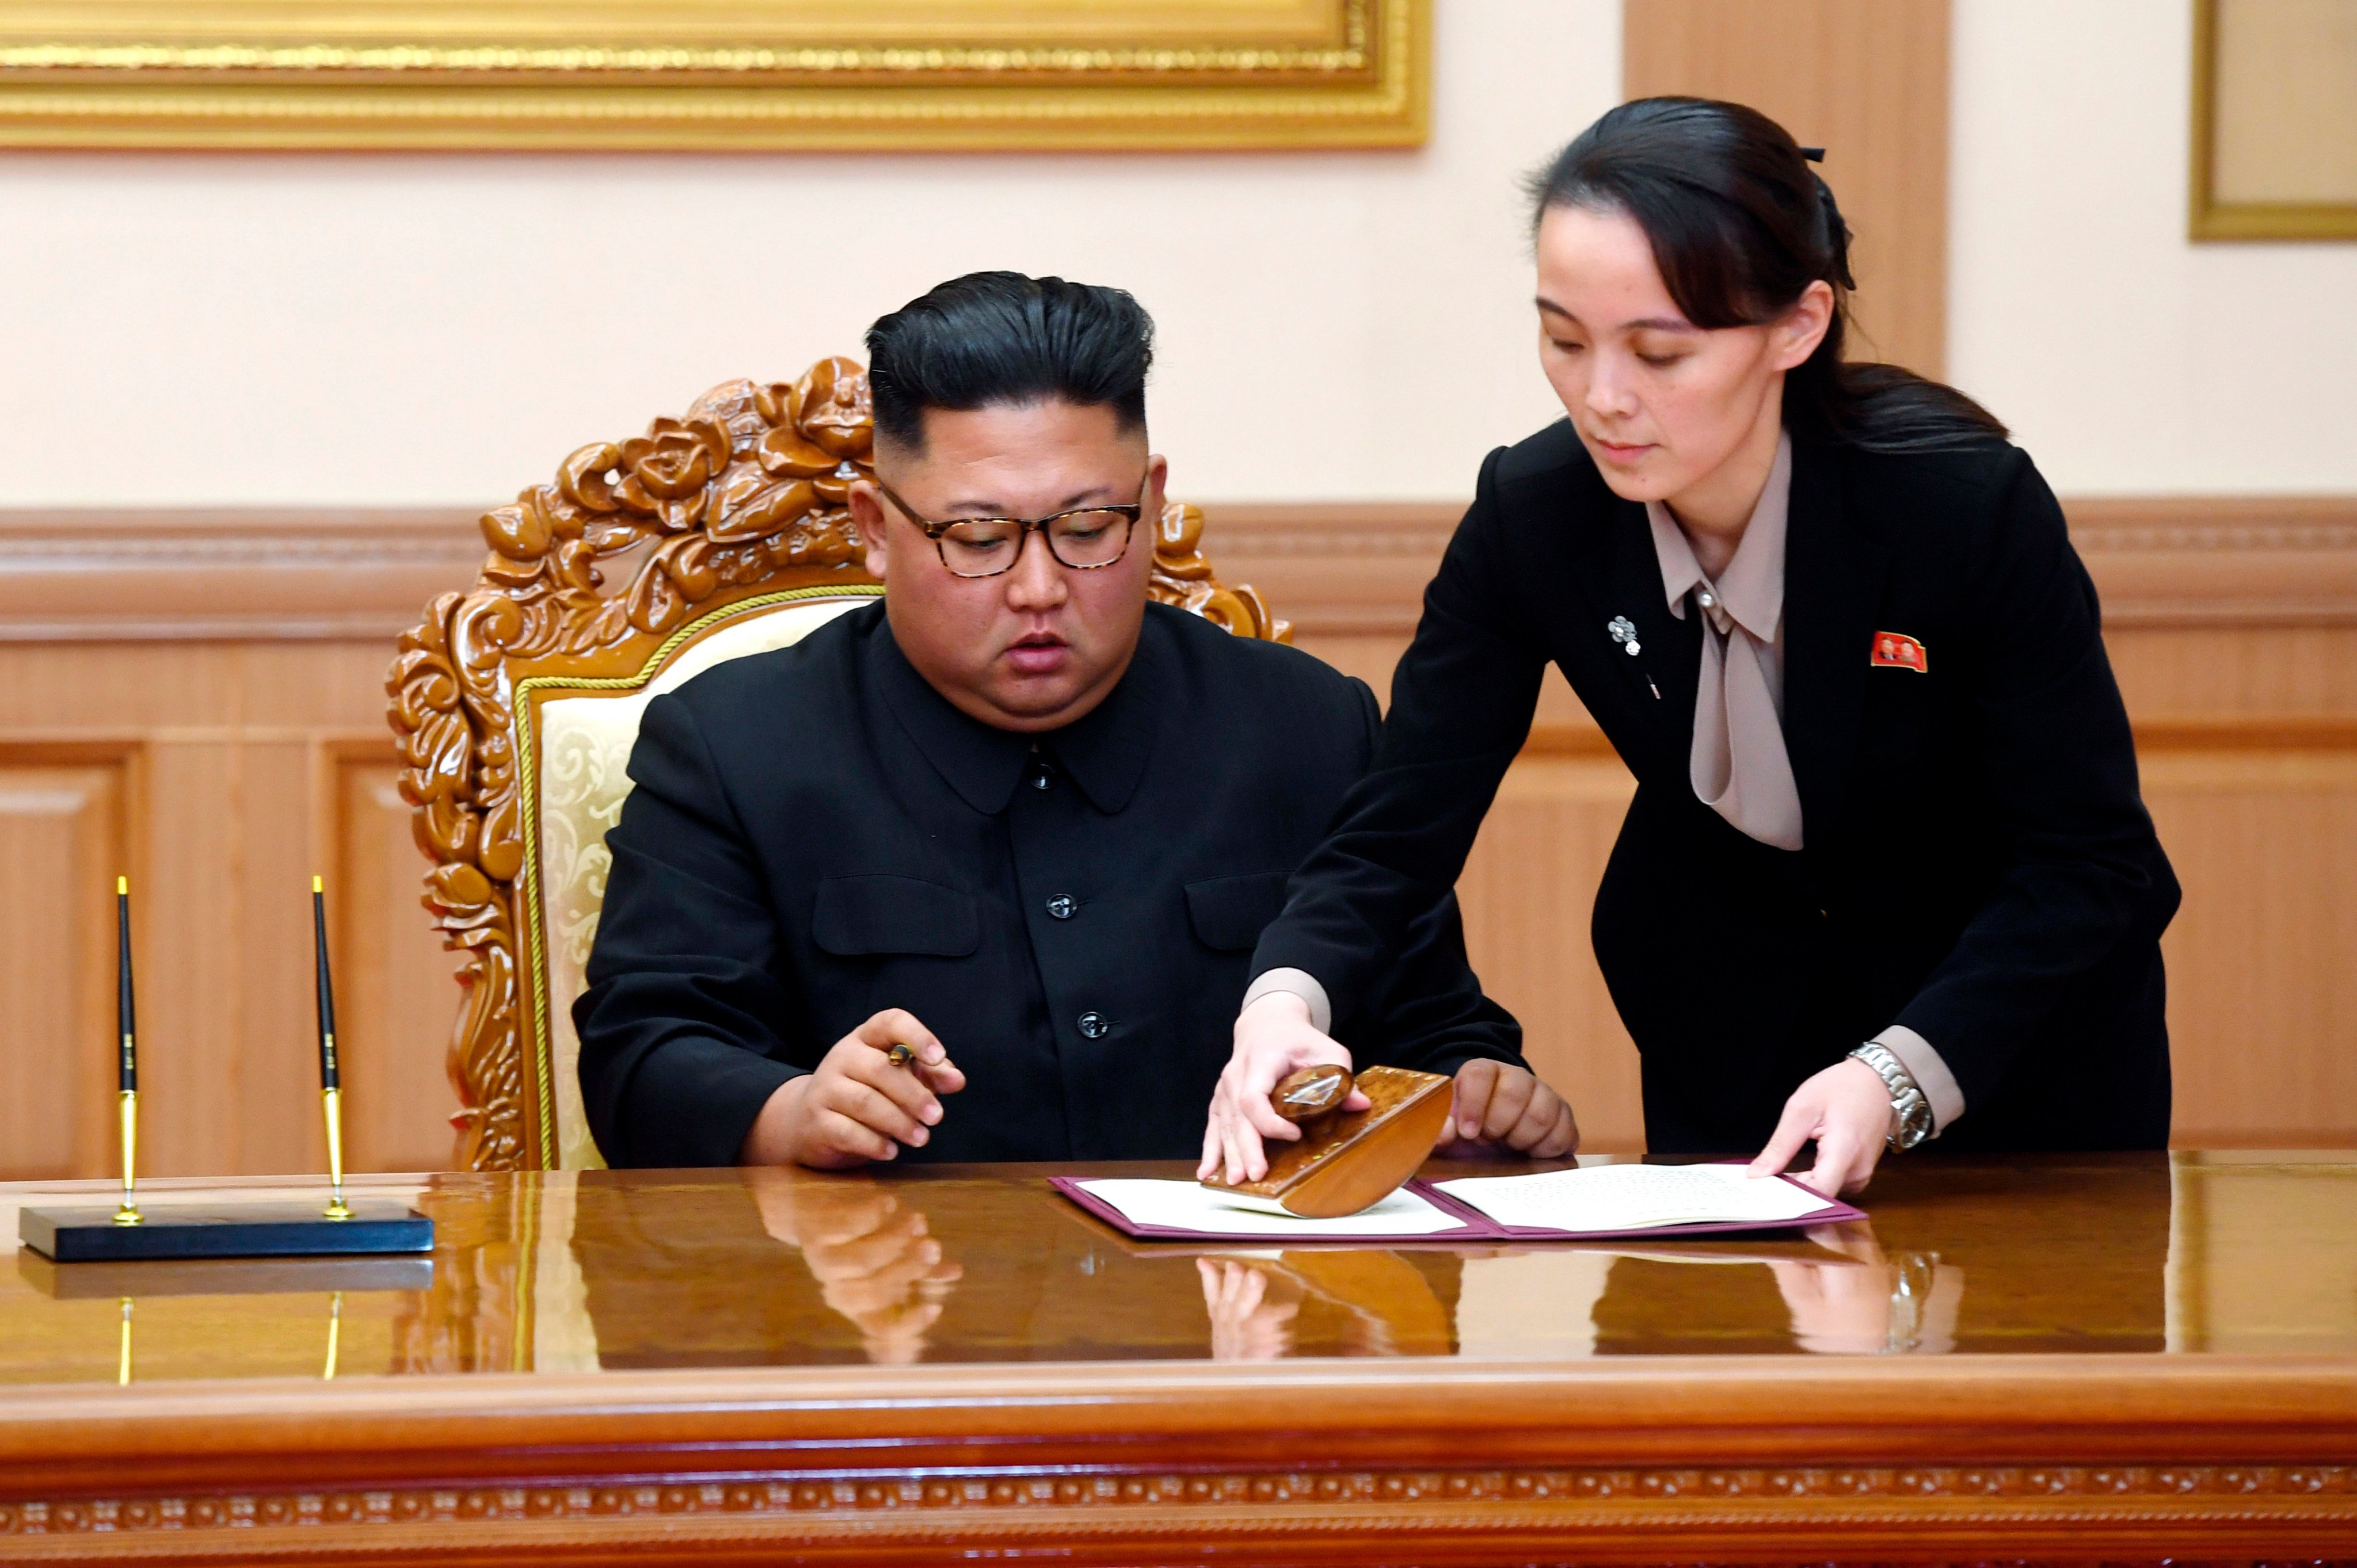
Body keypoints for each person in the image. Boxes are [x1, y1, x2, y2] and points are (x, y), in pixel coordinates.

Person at [1202, 98, 2180, 1197]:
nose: (1601, 398)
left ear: (1798, 328)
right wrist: (1283, 1004)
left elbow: (2092, 863)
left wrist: (1897, 1075)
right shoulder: (1535, 515)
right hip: (1731, 1045)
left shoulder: (1962, 510)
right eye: (1564, 341)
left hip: (2012, 1060)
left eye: (1660, 351)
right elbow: (1394, 835)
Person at [574, 270, 1578, 1170]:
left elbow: (1435, 1029)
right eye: (978, 538)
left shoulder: (1307, 726)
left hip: (1239, 1324)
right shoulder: (733, 747)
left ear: (1153, 504)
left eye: (1089, 528)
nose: (1040, 587)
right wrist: (792, 1110)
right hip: (889, 1327)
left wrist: (1483, 1088)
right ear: (875, 530)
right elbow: (640, 1059)